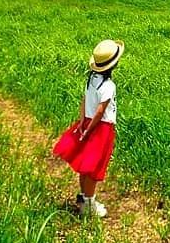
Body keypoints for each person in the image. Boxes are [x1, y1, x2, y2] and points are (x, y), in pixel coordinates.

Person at [52, 39, 123, 217]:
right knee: (93, 168)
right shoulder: (108, 86)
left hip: (87, 124)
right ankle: (89, 206)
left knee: (86, 164)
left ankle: (85, 198)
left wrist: (82, 122)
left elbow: (84, 101)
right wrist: (90, 129)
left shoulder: (91, 79)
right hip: (100, 129)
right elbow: (100, 112)